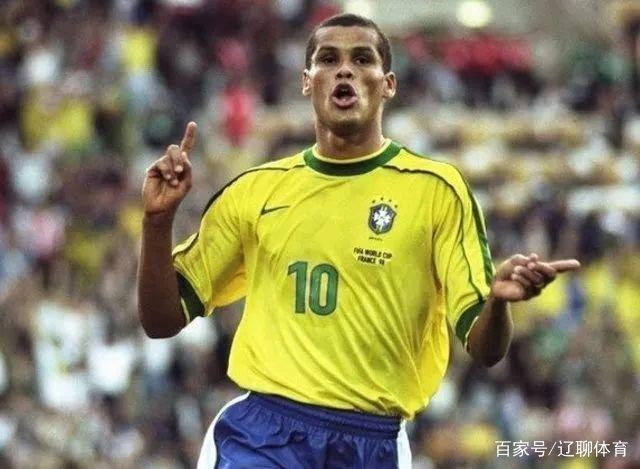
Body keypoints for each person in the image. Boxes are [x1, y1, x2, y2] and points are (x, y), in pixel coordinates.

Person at [137, 13, 580, 469]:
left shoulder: (437, 191)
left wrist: (499, 302)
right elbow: (161, 319)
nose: (344, 70)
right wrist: (157, 222)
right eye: (328, 59)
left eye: (362, 59)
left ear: (388, 84)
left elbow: (485, 349)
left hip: (373, 444)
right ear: (306, 82)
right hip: (263, 436)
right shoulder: (255, 191)